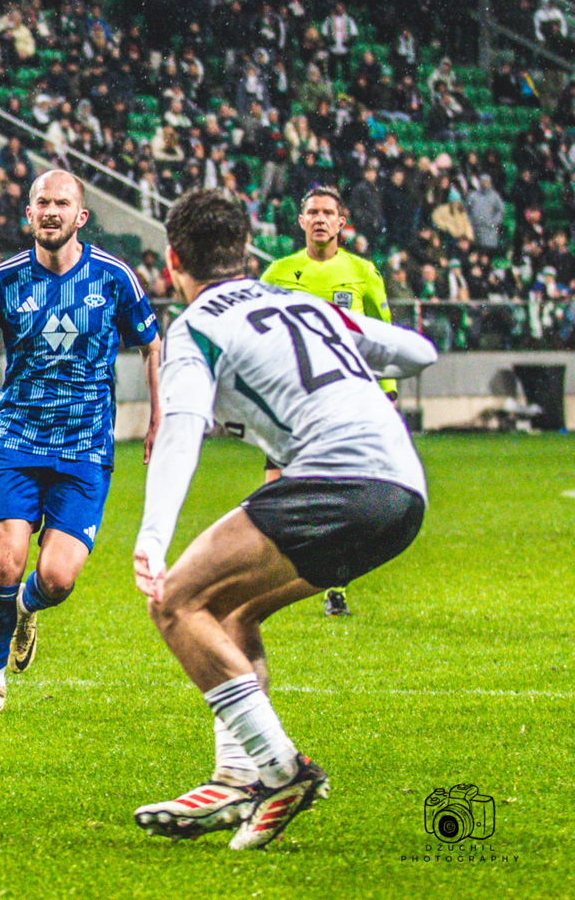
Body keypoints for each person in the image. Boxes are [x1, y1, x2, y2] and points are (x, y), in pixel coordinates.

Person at [129, 189, 435, 850]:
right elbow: (419, 354)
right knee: (233, 614)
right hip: (404, 491)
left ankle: (281, 771)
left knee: (177, 599)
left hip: (339, 480)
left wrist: (153, 537)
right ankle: (235, 778)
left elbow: (179, 429)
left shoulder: (196, 327)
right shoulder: (304, 301)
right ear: (247, 253)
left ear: (172, 261)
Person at [0, 170, 162, 716]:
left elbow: (152, 345)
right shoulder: (3, 282)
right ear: (28, 214)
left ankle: (28, 610)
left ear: (81, 216)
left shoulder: (114, 277)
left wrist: (157, 418)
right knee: (5, 563)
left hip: (84, 449)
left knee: (55, 579)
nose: (51, 211)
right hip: (18, 441)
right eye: (41, 203)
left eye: (62, 203)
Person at [259, 188, 393, 617]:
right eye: (312, 211)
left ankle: (334, 581)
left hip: (341, 398)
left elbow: (382, 336)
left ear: (341, 222)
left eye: (328, 213)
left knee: (338, 492)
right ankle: (265, 575)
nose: (320, 219)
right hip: (290, 397)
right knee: (274, 488)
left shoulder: (363, 273)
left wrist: (387, 393)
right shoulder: (278, 273)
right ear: (300, 221)